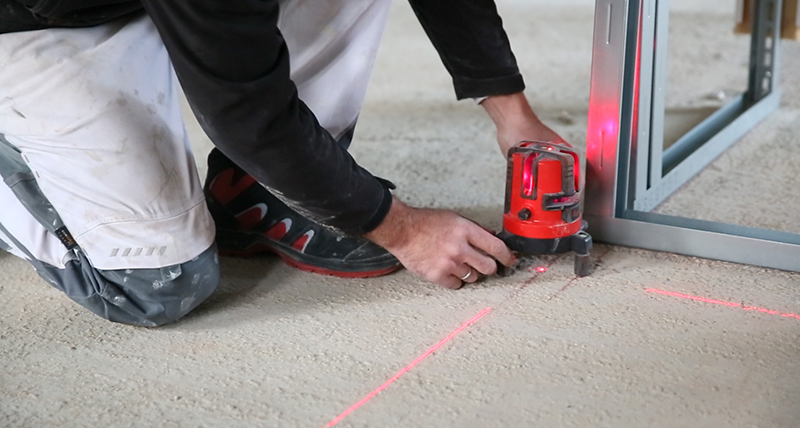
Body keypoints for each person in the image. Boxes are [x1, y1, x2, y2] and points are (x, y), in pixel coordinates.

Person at [0, 0, 566, 326]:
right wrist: (403, 229)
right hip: (42, 22)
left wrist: (511, 112)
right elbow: (243, 109)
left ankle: (258, 189)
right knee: (157, 285)